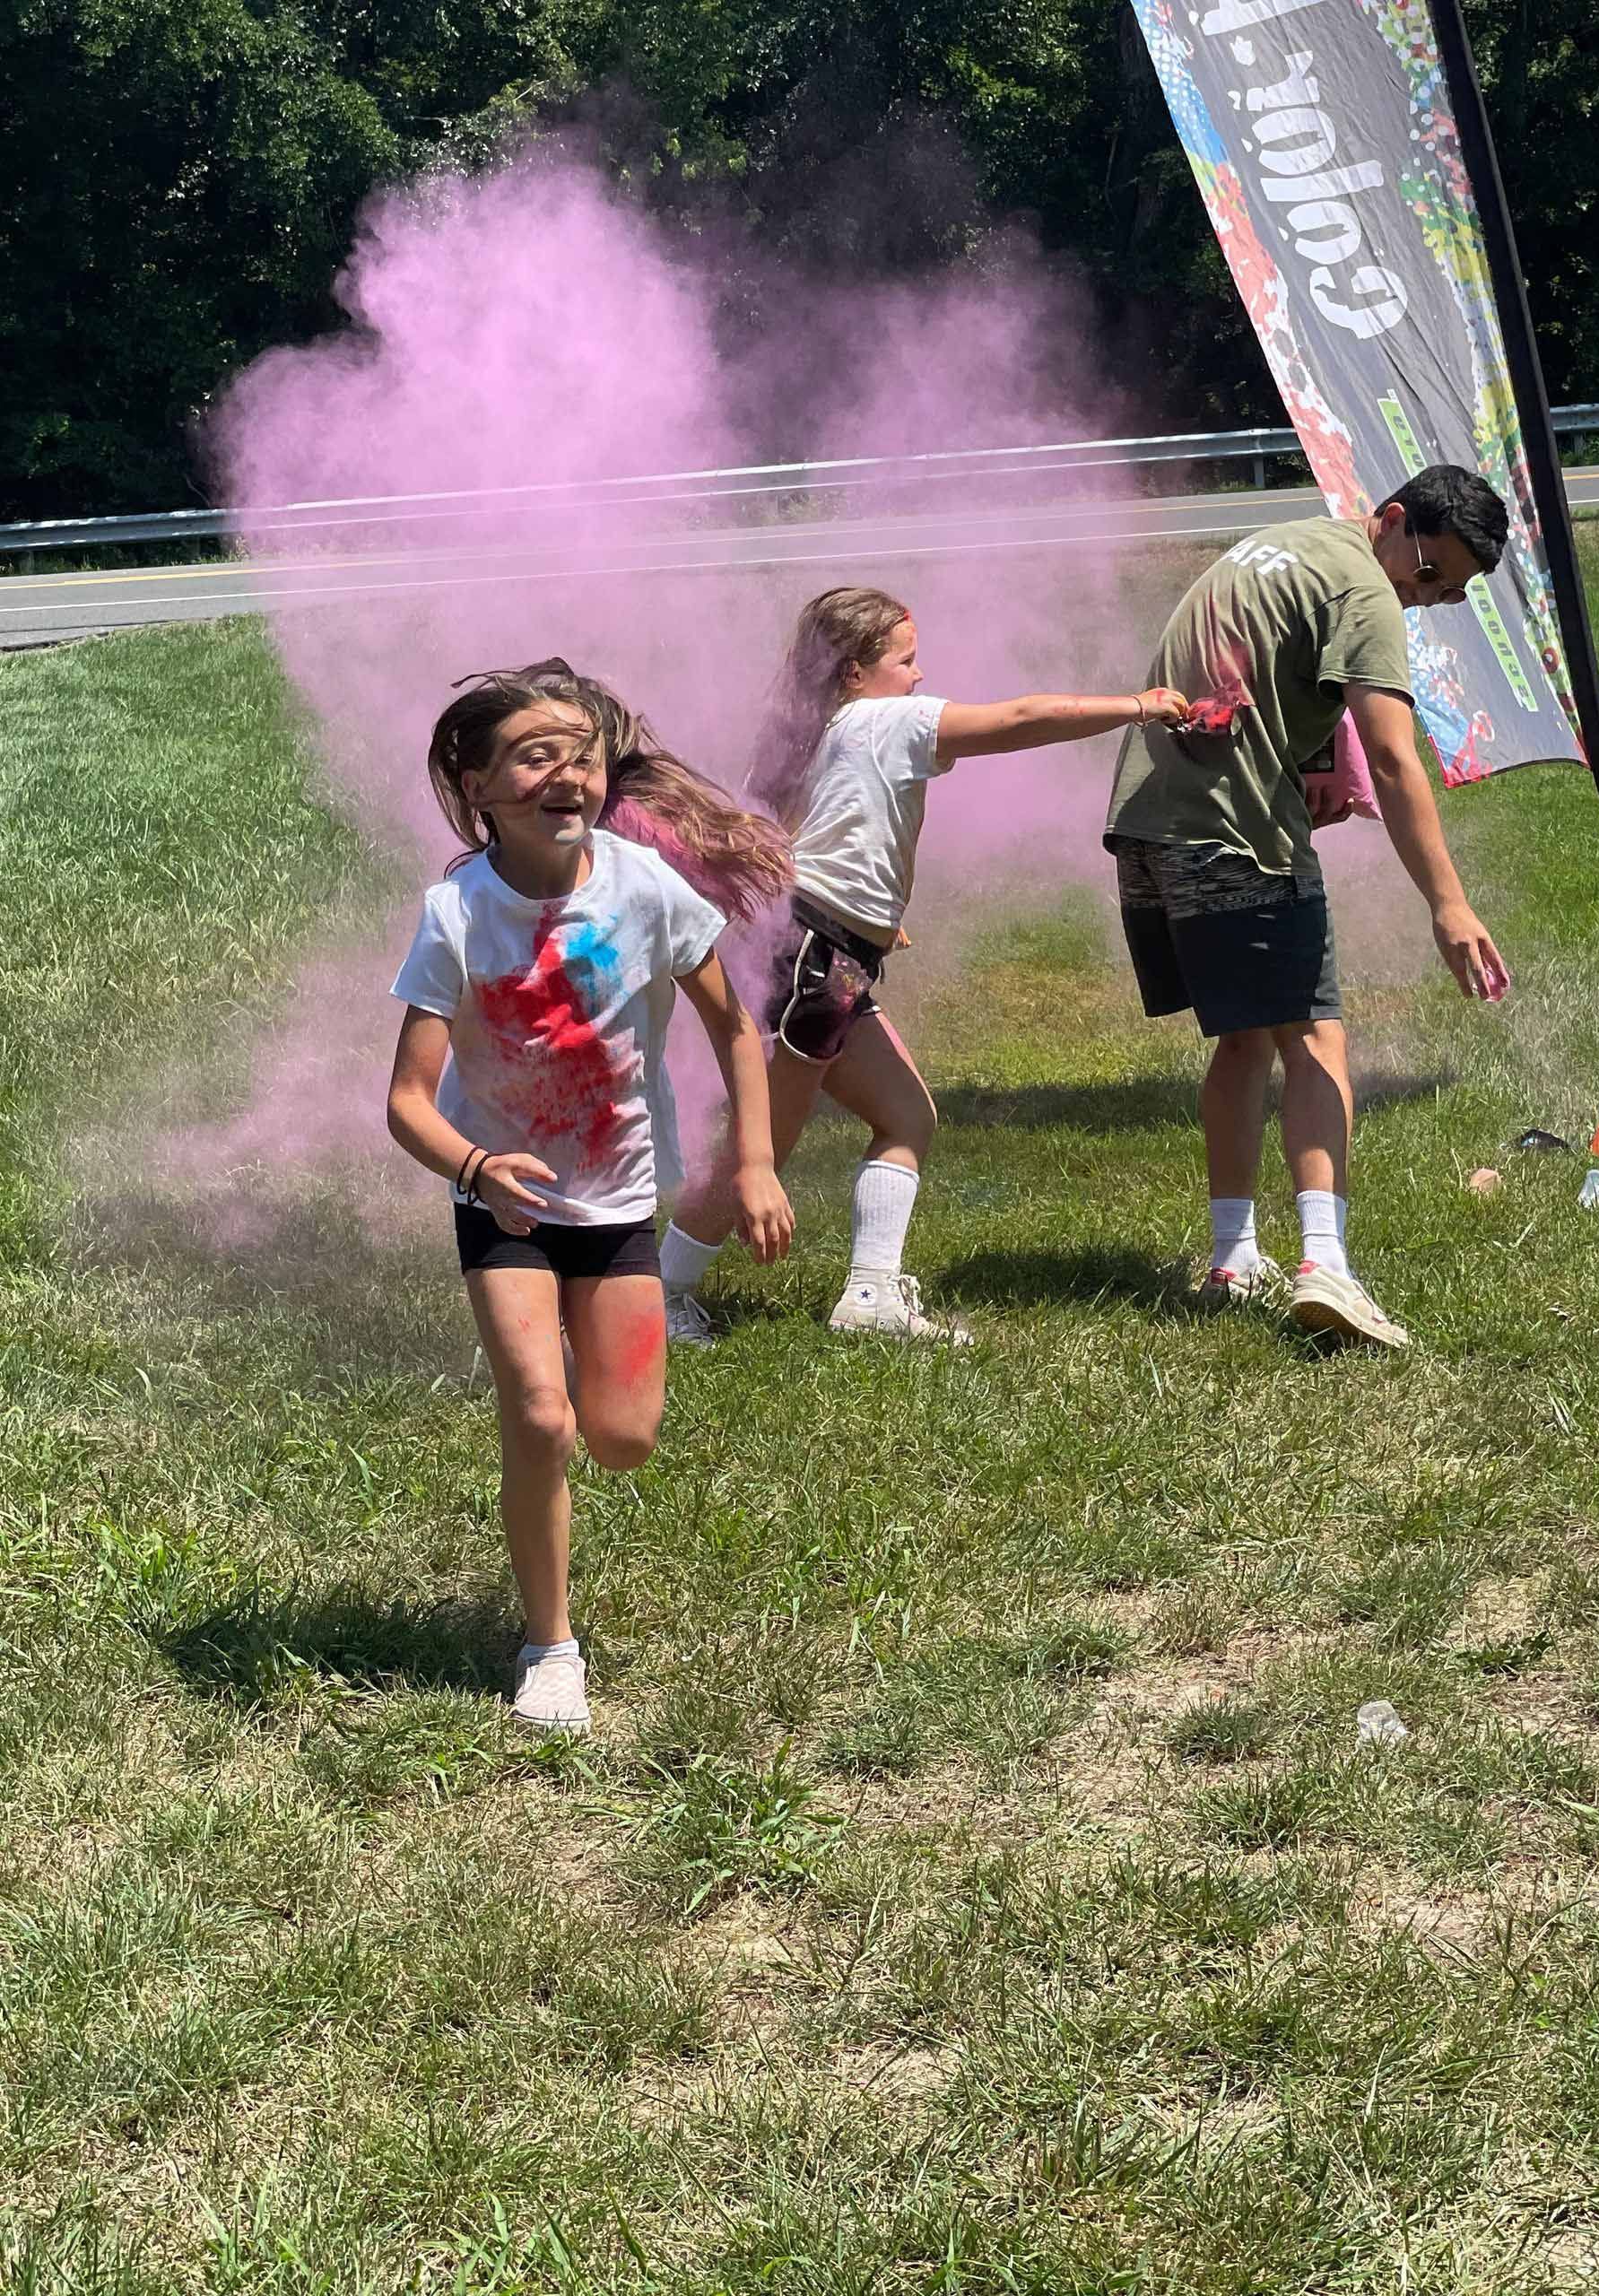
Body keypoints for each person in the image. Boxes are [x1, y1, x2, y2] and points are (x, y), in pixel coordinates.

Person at [387, 661, 795, 1734]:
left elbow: (733, 1029)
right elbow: (407, 1105)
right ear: (480, 787)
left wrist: (752, 1162)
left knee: (621, 1438)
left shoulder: (645, 888)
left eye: (584, 751)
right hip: (506, 1207)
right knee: (539, 1415)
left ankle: (578, 1380)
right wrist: (475, 1168)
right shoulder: (457, 914)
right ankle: (549, 1646)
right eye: (536, 754)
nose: (568, 772)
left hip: (617, 1204)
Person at [660, 587, 1189, 1345]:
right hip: (819, 958)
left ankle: (872, 1295)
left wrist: (873, 922)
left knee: (906, 1114)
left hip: (816, 951)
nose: (918, 674)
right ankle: (658, 1296)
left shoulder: (811, 730)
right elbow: (1017, 719)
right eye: (905, 660)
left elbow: (791, 841)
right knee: (760, 1150)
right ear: (852, 671)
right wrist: (1138, 706)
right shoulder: (890, 718)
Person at [1105, 464, 1512, 1351]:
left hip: (1148, 819)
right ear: (1395, 520)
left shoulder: (1294, 545)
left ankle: (1232, 1256)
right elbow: (1399, 757)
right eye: (1429, 572)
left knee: (1246, 1036)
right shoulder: (1369, 588)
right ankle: (1325, 1263)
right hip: (1235, 830)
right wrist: (1449, 904)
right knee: (1317, 1037)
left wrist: (1312, 758)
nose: (1425, 595)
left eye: (1448, 594)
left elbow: (1260, 659)